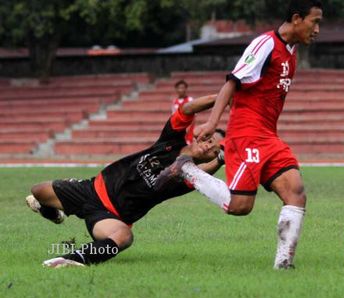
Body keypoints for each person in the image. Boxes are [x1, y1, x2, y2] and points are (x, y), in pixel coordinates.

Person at [162, 0, 323, 269]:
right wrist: (213, 123)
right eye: (315, 21)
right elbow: (232, 83)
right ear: (297, 18)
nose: (318, 29)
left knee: (296, 193)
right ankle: (187, 170)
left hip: (268, 136)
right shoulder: (266, 44)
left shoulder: (291, 51)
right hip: (246, 135)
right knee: (240, 206)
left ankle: (283, 264)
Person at [26, 94, 225, 268]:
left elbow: (205, 174)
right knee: (38, 191)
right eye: (210, 141)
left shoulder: (187, 176)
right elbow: (187, 109)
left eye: (214, 151)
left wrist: (221, 159)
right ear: (202, 136)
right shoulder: (170, 140)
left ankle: (71, 260)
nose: (209, 147)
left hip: (110, 216)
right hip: (91, 189)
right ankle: (54, 212)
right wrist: (224, 97)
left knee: (124, 237)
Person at [172, 80, 195, 144]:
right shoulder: (175, 102)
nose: (181, 90)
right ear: (176, 89)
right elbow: (173, 116)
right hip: (178, 129)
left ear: (186, 89)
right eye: (179, 88)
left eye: (183, 88)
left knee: (188, 145)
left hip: (188, 128)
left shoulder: (190, 100)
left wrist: (189, 127)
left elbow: (194, 116)